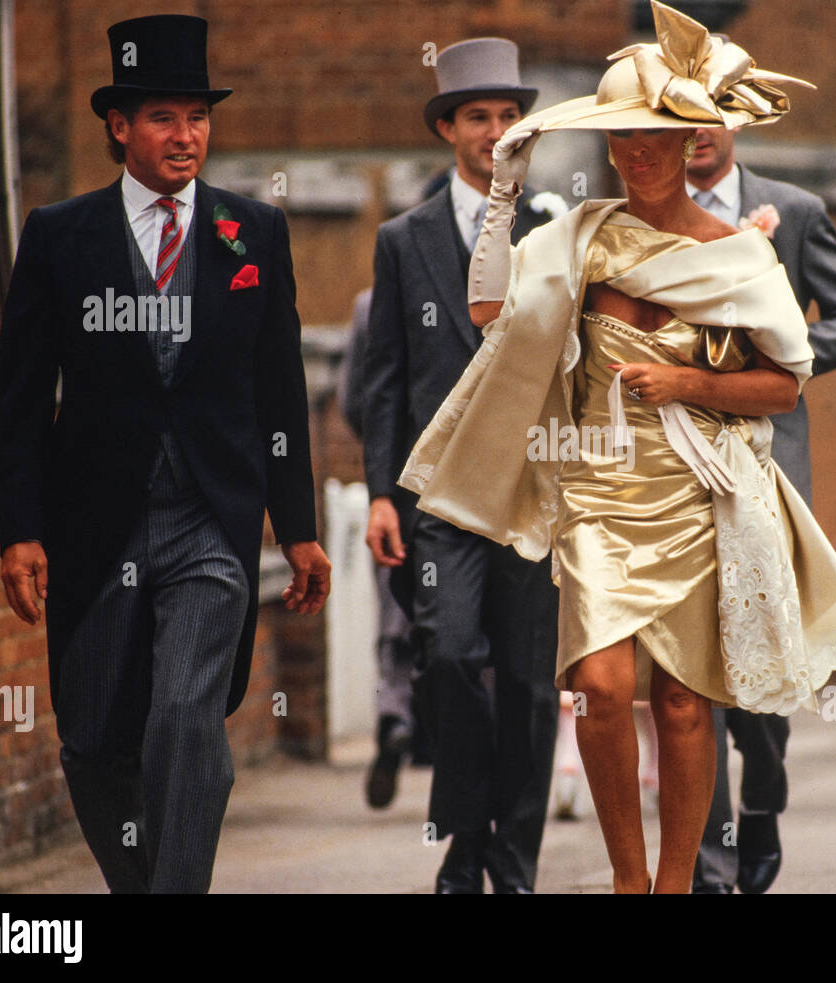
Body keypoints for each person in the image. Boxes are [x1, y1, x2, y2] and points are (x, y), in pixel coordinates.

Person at [399, 0, 836, 893]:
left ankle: (672, 885)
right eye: (620, 137)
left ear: (689, 137)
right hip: (597, 491)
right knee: (602, 681)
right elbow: (488, 316)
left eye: (653, 136)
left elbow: (784, 383)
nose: (635, 152)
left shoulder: (741, 257)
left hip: (697, 495)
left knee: (687, 704)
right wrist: (504, 192)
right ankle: (628, 880)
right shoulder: (581, 236)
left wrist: (691, 384)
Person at [0, 15, 329, 893]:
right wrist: (19, 530)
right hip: (97, 520)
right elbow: (21, 402)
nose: (186, 138)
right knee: (96, 739)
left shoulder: (253, 234)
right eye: (164, 119)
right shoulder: (61, 237)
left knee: (186, 716)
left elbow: (279, 392)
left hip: (209, 518)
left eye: (198, 118)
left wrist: (297, 528)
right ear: (119, 127)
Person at [360, 37, 563, 893]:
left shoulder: (554, 231)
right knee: (446, 658)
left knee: (528, 683)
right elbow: (385, 381)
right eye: (478, 116)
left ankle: (507, 858)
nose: (497, 131)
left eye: (511, 116)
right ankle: (464, 837)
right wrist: (378, 493)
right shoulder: (402, 242)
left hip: (534, 490)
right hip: (440, 496)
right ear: (448, 127)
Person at [684, 117, 836, 895]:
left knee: (761, 663)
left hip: (768, 460)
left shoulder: (790, 211)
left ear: (733, 121)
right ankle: (710, 857)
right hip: (676, 462)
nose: (695, 135)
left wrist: (779, 356)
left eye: (710, 117)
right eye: (678, 119)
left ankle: (762, 794)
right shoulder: (641, 214)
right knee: (692, 668)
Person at [337, 287, 421, 808]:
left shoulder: (370, 304)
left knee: (395, 611)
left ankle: (395, 713)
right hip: (470, 489)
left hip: (397, 487)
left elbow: (353, 404)